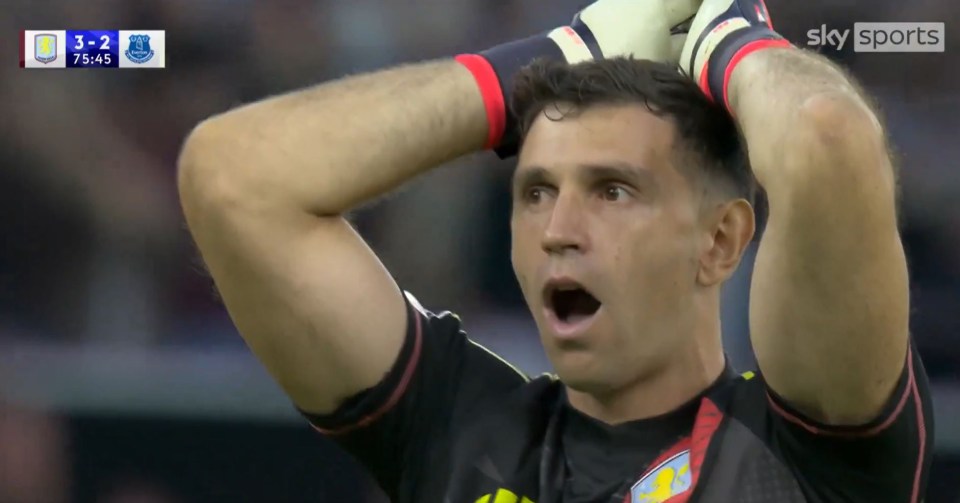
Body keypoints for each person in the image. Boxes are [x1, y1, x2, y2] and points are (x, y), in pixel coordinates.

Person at [177, 0, 934, 501]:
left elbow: (826, 140)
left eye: (612, 190)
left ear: (721, 240)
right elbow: (232, 178)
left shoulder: (799, 455)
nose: (558, 228)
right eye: (536, 191)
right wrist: (553, 57)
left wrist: (728, 43)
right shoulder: (460, 432)